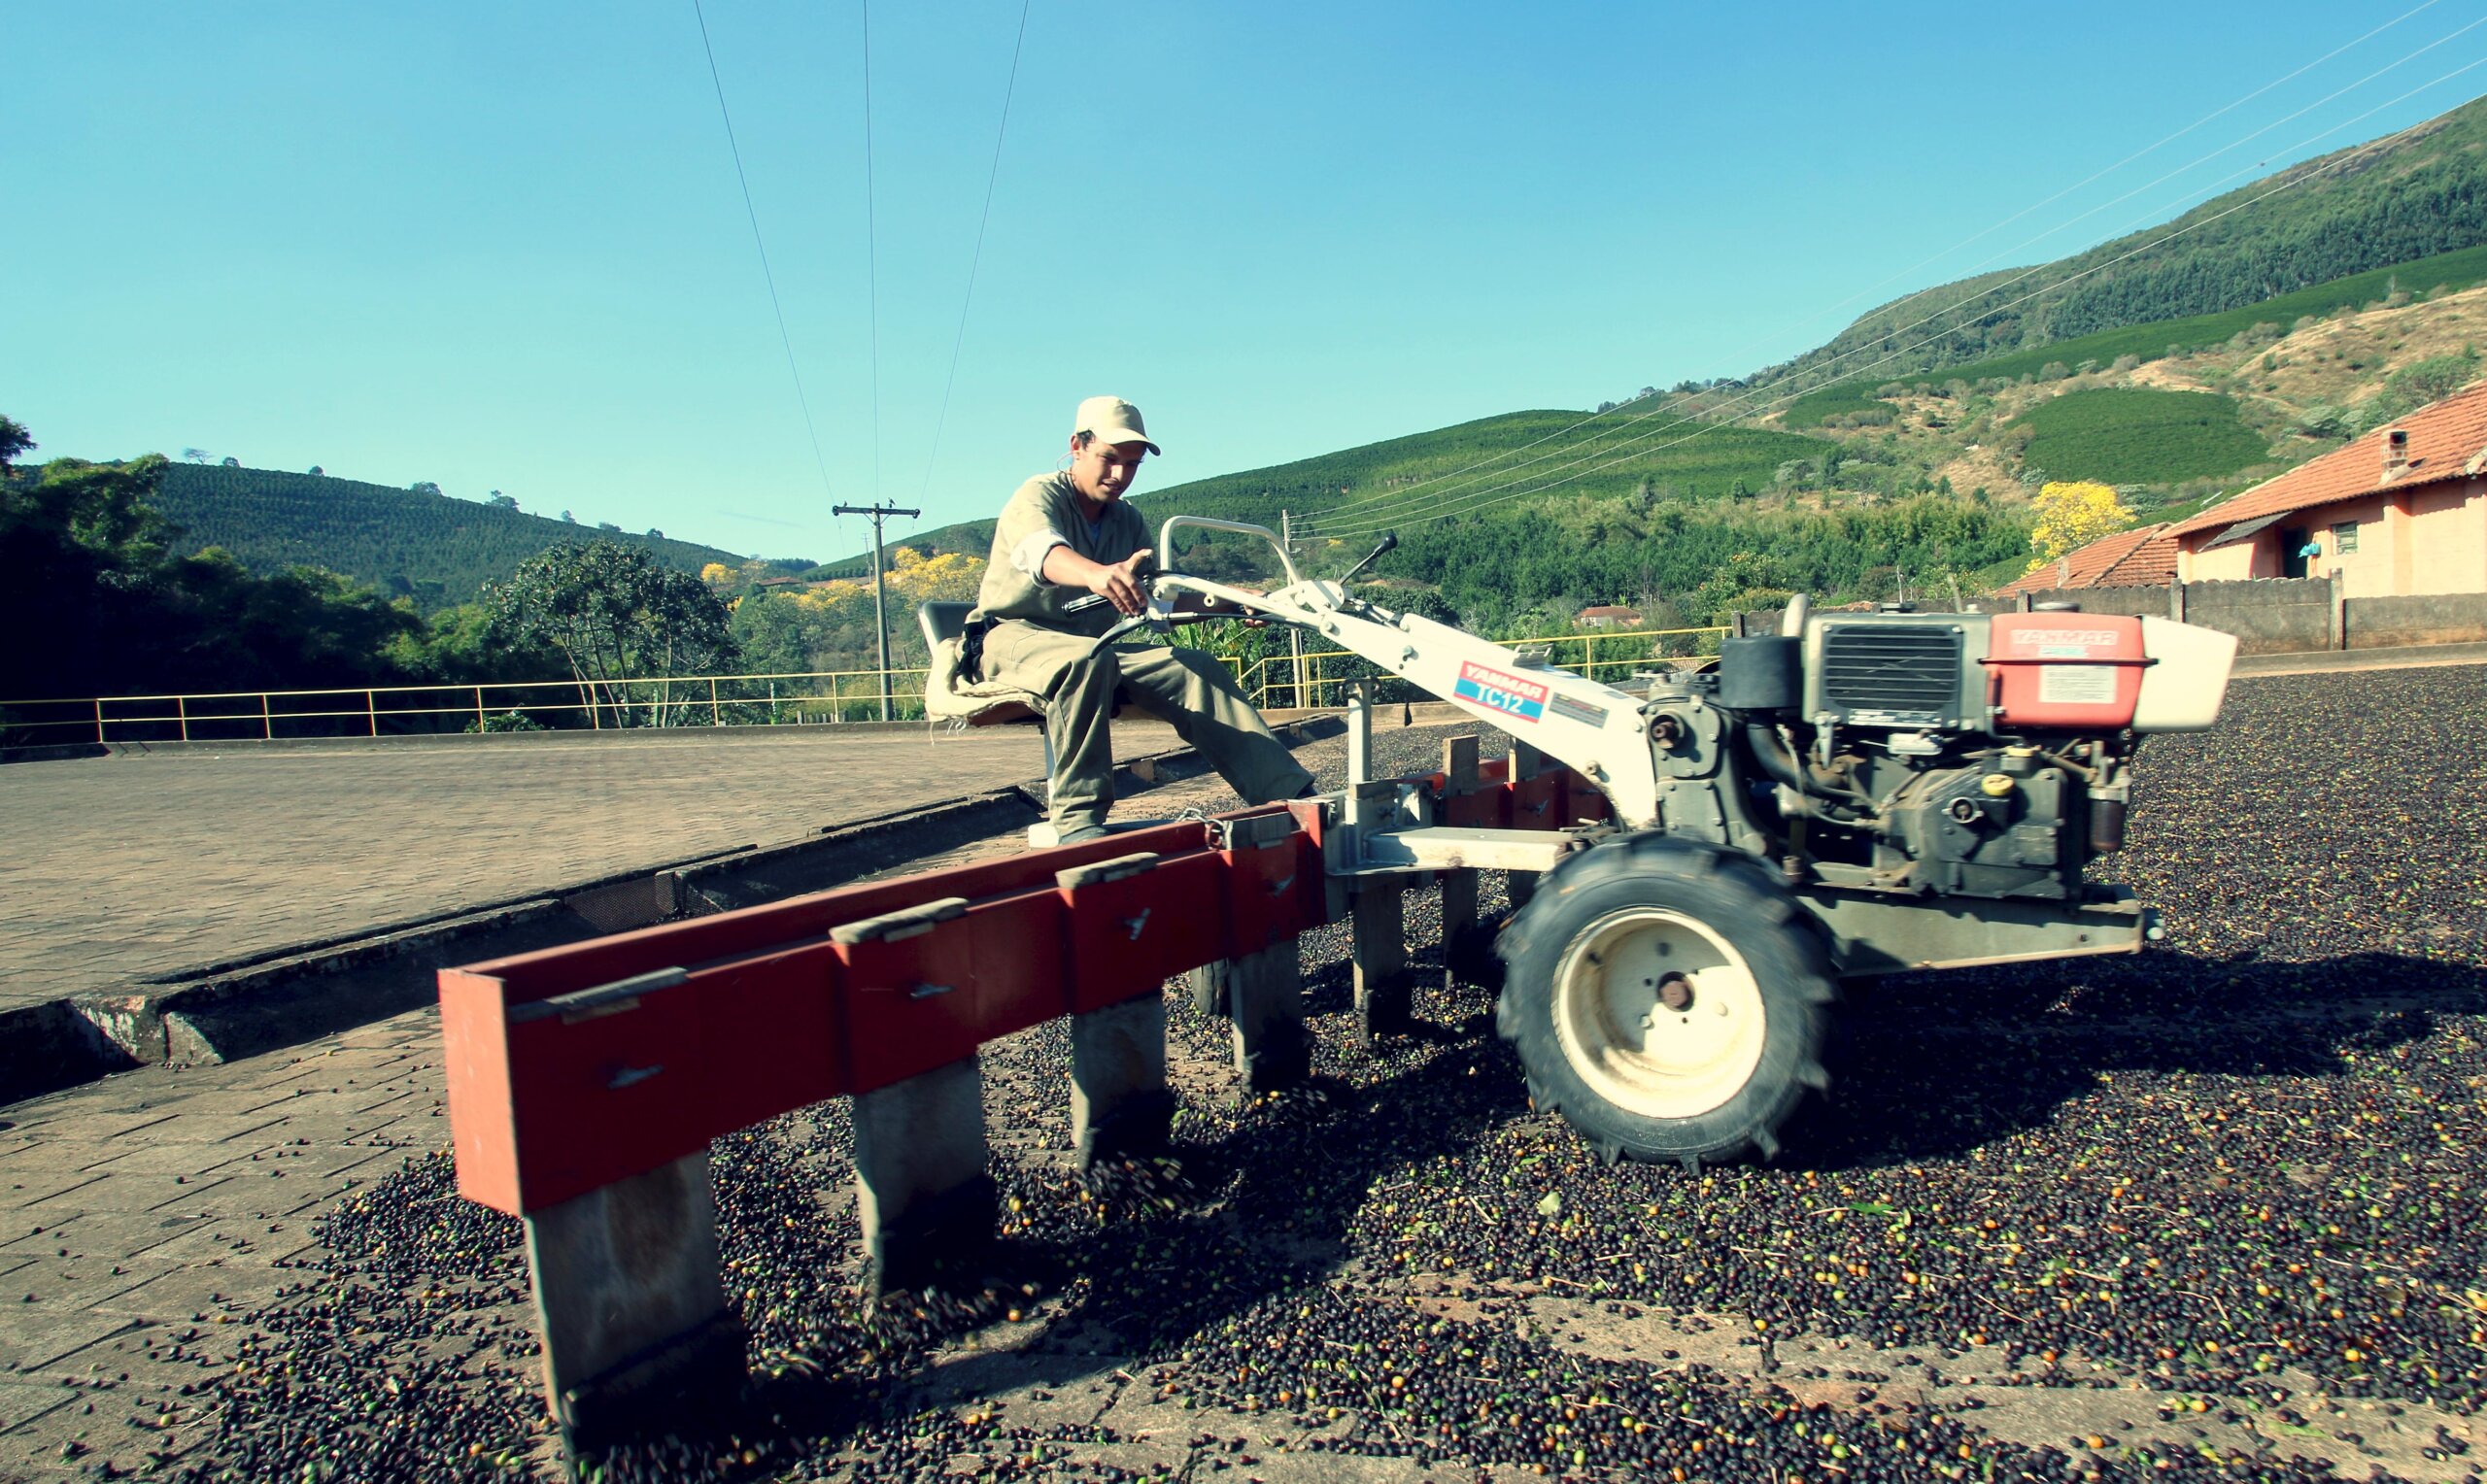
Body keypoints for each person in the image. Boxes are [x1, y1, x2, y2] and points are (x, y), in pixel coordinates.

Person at [956, 395, 1314, 843]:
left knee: (1194, 668)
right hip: (1011, 639)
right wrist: (1096, 574)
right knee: (1085, 661)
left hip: (1096, 646)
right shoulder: (1040, 494)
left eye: (1132, 464)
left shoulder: (1127, 521)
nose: (1120, 475)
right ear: (1077, 446)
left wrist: (1234, 602)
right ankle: (1077, 823)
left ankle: (1291, 798)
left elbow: (1159, 601)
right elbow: (1041, 553)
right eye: (1109, 459)